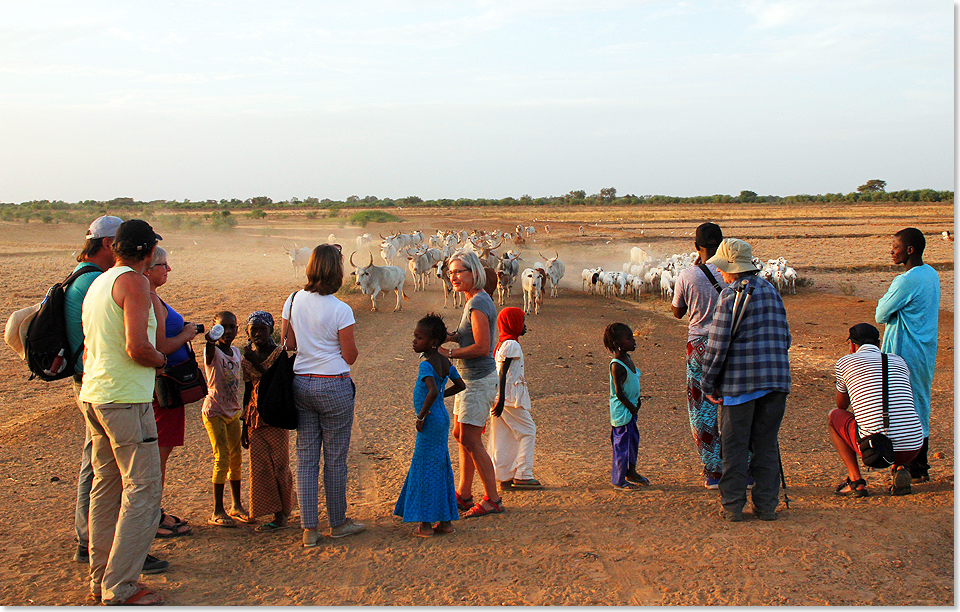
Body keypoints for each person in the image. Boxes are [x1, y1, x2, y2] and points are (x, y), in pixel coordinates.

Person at [78, 219, 168, 605]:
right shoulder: (134, 283)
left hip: (95, 395)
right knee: (144, 489)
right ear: (148, 252)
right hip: (125, 399)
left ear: (115, 247)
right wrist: (161, 360)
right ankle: (122, 586)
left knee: (107, 487)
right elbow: (137, 346)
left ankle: (101, 579)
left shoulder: (98, 282)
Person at [701, 238, 791, 522]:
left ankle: (733, 505)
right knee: (766, 445)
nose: (720, 273)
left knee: (735, 446)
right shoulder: (772, 292)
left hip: (740, 386)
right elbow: (786, 338)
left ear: (731, 268)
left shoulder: (731, 296)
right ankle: (766, 506)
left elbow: (717, 346)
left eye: (722, 268)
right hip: (776, 383)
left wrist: (708, 382)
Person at [282, 244, 364, 548]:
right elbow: (350, 356)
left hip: (301, 383)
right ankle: (338, 522)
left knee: (305, 458)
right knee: (335, 459)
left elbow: (288, 342)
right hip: (333, 385)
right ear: (337, 270)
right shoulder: (341, 309)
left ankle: (309, 529)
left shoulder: (292, 300)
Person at [64, 215, 121, 564]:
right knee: (108, 469)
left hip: (85, 380)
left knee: (94, 461)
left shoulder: (79, 278)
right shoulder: (96, 283)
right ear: (108, 245)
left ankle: (87, 536)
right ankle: (101, 542)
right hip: (100, 383)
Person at [441, 250, 504, 518]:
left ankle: (493, 498)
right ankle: (464, 493)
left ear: (473, 272)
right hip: (470, 377)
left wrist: (448, 353)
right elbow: (470, 337)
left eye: (459, 271)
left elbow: (481, 346)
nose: (453, 277)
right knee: (460, 434)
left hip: (478, 379)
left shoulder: (477, 303)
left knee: (470, 438)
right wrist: (451, 337)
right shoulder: (474, 300)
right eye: (451, 272)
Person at [875, 227, 940, 483]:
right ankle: (920, 467)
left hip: (903, 353)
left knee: (899, 407)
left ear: (909, 250)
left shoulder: (906, 280)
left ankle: (903, 464)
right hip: (925, 350)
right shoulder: (931, 274)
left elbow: (880, 314)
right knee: (921, 404)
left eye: (895, 246)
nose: (891, 251)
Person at [829, 323, 923, 497]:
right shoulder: (899, 360)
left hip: (873, 449)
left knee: (834, 417)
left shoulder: (845, 362)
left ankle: (856, 481)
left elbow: (841, 406)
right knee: (896, 413)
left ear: (852, 345)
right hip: (913, 445)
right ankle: (900, 467)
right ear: (879, 344)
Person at [394, 313, 466, 537]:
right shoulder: (445, 361)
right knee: (440, 466)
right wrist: (440, 398)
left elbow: (433, 390)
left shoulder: (426, 365)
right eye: (414, 337)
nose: (414, 341)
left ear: (433, 342)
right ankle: (445, 522)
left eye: (419, 338)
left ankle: (425, 524)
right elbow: (460, 385)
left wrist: (422, 415)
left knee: (424, 467)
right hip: (441, 418)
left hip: (431, 421)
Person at [145, 246, 197, 538]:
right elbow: (160, 345)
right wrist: (186, 335)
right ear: (149, 267)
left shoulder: (151, 296)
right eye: (163, 265)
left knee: (156, 456)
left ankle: (153, 514)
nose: (167, 270)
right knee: (157, 457)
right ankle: (153, 518)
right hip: (162, 388)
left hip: (162, 387)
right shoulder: (150, 298)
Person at [671, 222, 728, 489]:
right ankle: (743, 467)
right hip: (731, 344)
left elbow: (677, 312)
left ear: (696, 246)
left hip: (700, 347)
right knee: (737, 404)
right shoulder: (733, 273)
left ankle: (714, 472)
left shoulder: (688, 275)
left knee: (702, 410)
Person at [240, 310, 295, 532]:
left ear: (271, 330)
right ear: (247, 333)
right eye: (253, 330)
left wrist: (256, 362)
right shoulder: (247, 358)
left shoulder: (279, 355)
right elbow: (247, 391)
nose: (258, 334)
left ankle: (283, 513)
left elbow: (276, 383)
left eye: (262, 329)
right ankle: (273, 513)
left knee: (280, 466)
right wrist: (244, 425)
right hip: (255, 418)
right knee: (260, 467)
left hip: (276, 416)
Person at [201, 310, 247, 528]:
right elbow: (210, 348)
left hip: (232, 410)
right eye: (222, 327)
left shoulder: (236, 353)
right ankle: (217, 510)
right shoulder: (213, 352)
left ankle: (236, 505)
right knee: (222, 458)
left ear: (238, 329)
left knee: (236, 457)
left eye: (231, 327)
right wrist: (210, 339)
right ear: (214, 329)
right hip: (215, 411)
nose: (227, 332)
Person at [488, 307, 542, 489]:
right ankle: (523, 474)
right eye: (522, 322)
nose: (525, 326)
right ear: (512, 323)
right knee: (528, 430)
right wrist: (502, 398)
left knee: (505, 435)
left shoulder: (503, 343)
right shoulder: (512, 345)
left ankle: (504, 475)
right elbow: (503, 373)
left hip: (502, 396)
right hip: (510, 397)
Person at [603, 322, 650, 490]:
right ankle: (619, 479)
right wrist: (631, 406)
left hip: (631, 409)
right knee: (621, 445)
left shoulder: (627, 359)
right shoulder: (617, 365)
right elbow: (619, 393)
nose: (633, 341)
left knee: (632, 442)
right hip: (623, 411)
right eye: (629, 338)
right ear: (617, 345)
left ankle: (631, 471)